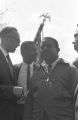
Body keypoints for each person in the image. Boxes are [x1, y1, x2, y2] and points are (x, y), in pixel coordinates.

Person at [27, 37, 78, 120]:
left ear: (58, 49)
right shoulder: (37, 71)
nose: (45, 48)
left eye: (49, 46)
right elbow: (30, 100)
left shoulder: (70, 69)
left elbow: (76, 100)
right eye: (42, 47)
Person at [0, 26, 24, 120]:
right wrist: (12, 90)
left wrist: (17, 94)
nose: (18, 44)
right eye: (16, 40)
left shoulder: (8, 59)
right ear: (5, 38)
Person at [14, 41, 38, 120]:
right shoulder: (14, 69)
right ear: (23, 52)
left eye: (36, 50)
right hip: (18, 110)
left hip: (35, 110)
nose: (36, 53)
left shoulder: (41, 69)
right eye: (33, 50)